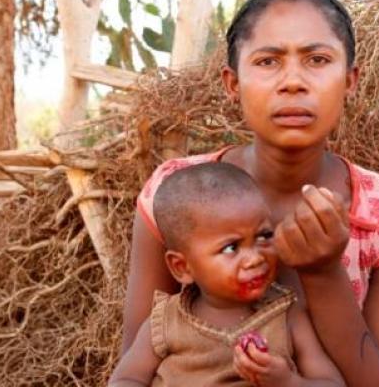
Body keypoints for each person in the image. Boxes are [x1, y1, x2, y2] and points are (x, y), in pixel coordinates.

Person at [122, 0, 379, 386]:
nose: (293, 82)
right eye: (268, 61)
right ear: (232, 83)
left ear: (350, 80)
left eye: (318, 60)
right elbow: (134, 365)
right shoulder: (177, 195)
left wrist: (323, 274)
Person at [109, 162, 345, 387]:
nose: (255, 259)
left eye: (263, 236)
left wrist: (287, 382)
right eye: (231, 248)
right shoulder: (166, 323)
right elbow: (126, 379)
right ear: (183, 267)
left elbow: (332, 383)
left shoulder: (286, 317)